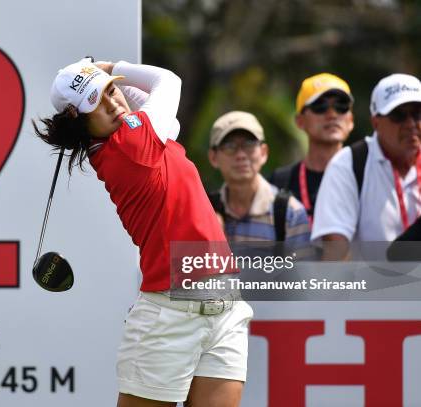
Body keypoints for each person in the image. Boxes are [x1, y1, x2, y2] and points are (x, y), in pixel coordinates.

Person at [34, 58, 253, 407]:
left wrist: (107, 84)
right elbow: (167, 81)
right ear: (77, 121)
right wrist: (113, 66)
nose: (113, 102)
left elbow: (160, 115)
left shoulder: (137, 139)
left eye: (111, 91)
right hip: (170, 317)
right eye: (97, 102)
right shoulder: (131, 147)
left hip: (225, 308)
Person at [311, 73, 421, 256]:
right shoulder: (348, 164)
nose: (410, 124)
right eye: (398, 115)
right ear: (376, 122)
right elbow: (335, 253)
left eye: (417, 114)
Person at [208, 111, 311, 244]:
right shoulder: (204, 210)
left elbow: (301, 265)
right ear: (213, 157)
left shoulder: (290, 213)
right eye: (229, 146)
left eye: (249, 144)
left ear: (263, 152)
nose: (240, 155)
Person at [270, 73, 354, 227]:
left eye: (341, 106)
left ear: (351, 120)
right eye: (320, 107)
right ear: (300, 121)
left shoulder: (367, 175)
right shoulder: (280, 183)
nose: (332, 114)